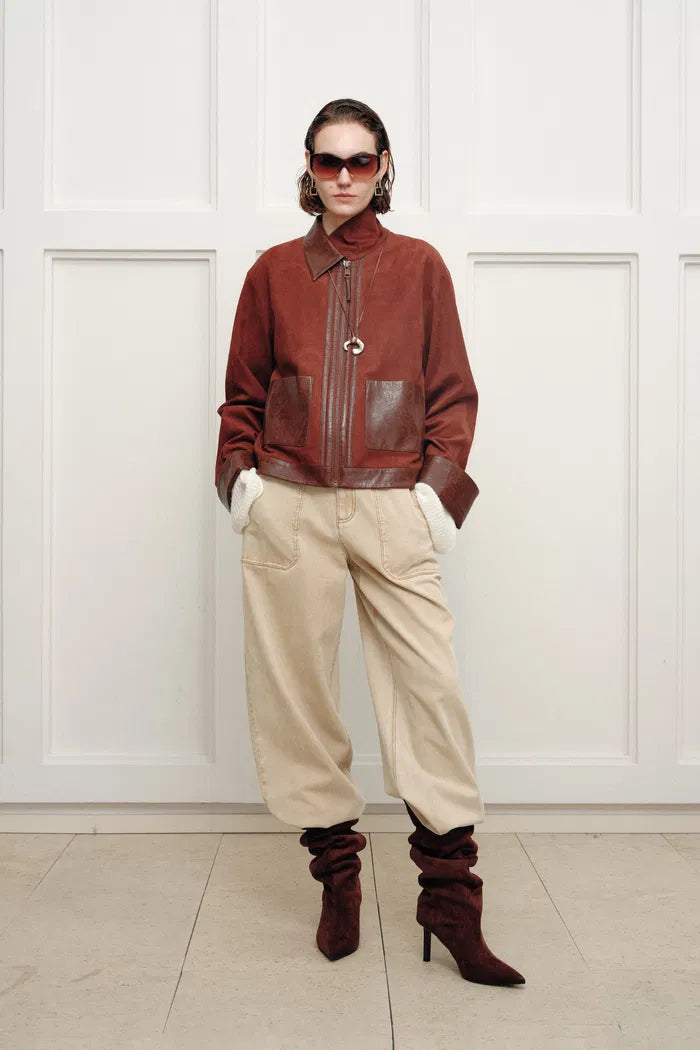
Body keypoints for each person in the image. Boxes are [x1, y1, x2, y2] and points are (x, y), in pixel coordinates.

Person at [214, 98, 525, 987]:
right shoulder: (272, 272)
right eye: (328, 161)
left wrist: (435, 495)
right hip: (291, 504)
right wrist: (242, 482)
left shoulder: (419, 266)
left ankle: (451, 902)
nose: (344, 176)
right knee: (297, 694)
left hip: (394, 507)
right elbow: (241, 393)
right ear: (308, 170)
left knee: (429, 691)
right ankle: (337, 880)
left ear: (384, 165)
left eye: (359, 160)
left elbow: (451, 391)